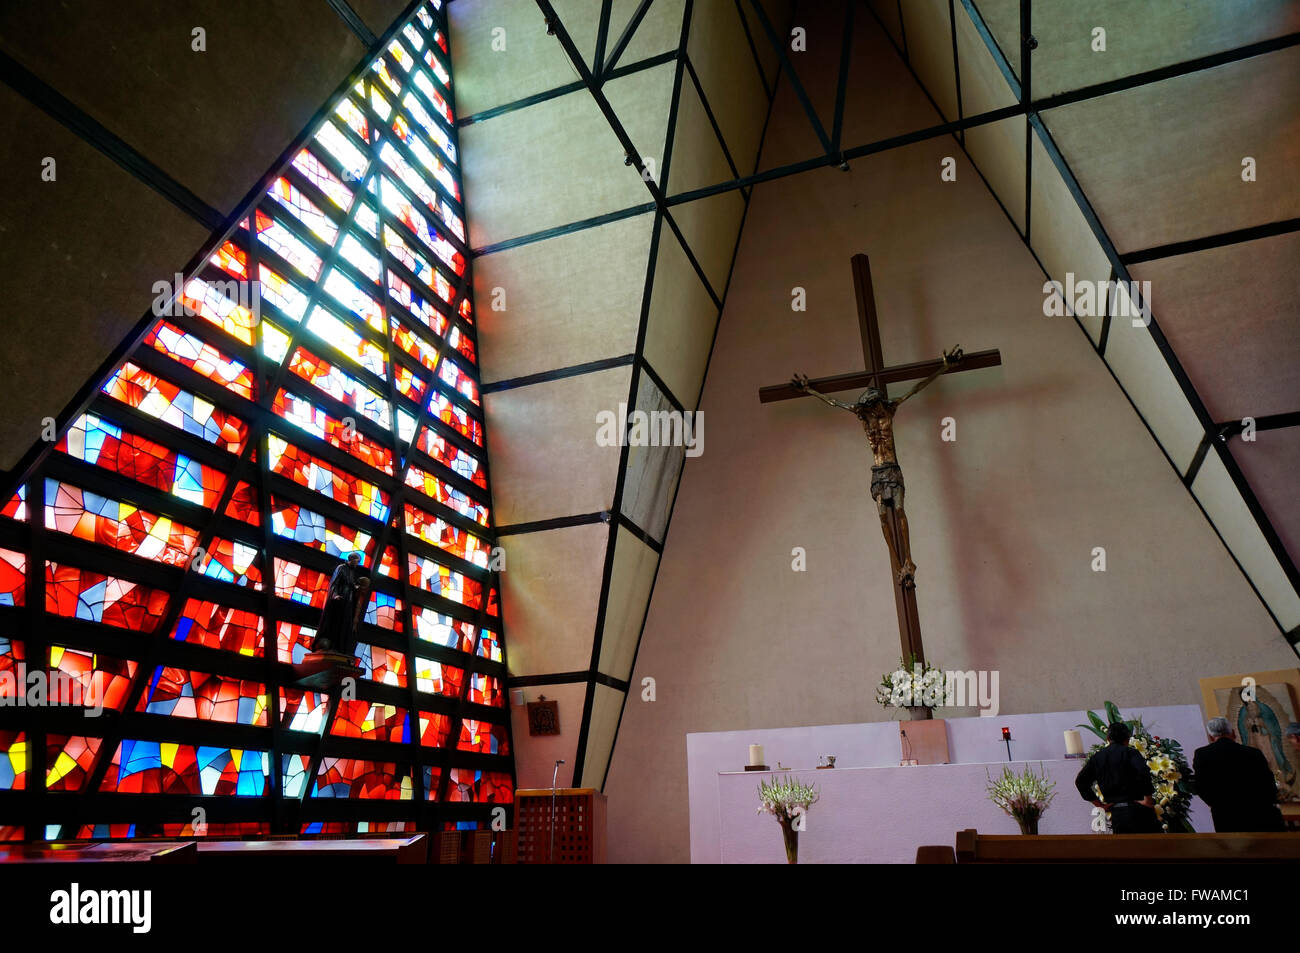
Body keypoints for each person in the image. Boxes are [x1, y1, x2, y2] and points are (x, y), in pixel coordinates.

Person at [1191, 717, 1284, 832]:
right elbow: (1268, 783)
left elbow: (1200, 786)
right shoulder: (1253, 753)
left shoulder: (1202, 755)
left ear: (1210, 737)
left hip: (1226, 816)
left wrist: (1217, 805)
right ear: (1233, 733)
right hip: (1260, 813)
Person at [1074, 721, 1160, 833]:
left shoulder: (1098, 757)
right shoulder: (1131, 753)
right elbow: (1143, 772)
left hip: (1117, 815)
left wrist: (1100, 805)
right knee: (1150, 849)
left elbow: (1081, 782)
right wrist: (1148, 800)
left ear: (1108, 738)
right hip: (1139, 810)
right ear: (1127, 739)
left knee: (1124, 849)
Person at [311, 552, 368, 656]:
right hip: (340, 599)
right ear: (351, 559)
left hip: (348, 601)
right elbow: (335, 583)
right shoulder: (341, 568)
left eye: (359, 562)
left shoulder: (351, 572)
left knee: (344, 624)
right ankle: (330, 645)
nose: (357, 564)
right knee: (335, 622)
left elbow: (351, 585)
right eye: (357, 561)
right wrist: (335, 595)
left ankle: (339, 647)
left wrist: (357, 588)